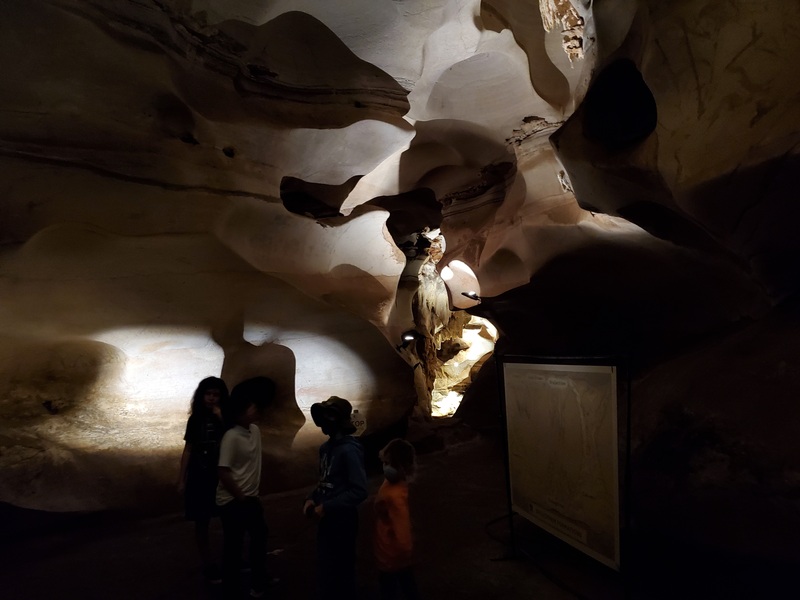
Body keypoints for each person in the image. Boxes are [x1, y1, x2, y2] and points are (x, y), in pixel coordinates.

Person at [303, 396, 368, 600]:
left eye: (330, 415)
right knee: (326, 566)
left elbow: (359, 490)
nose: (325, 420)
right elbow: (325, 480)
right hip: (327, 519)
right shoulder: (326, 448)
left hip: (342, 521)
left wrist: (328, 506)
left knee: (342, 570)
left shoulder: (350, 450)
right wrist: (312, 498)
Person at [216, 377, 276, 599]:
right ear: (241, 412)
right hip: (234, 500)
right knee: (234, 544)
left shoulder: (255, 431)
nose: (256, 409)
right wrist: (241, 497)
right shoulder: (231, 437)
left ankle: (258, 581)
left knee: (259, 537)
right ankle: (232, 589)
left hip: (248, 498)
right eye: (251, 406)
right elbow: (223, 471)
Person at [177, 376, 229, 584]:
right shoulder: (196, 419)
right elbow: (188, 448)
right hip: (200, 475)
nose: (212, 399)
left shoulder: (227, 417)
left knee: (229, 518)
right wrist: (181, 478)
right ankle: (208, 563)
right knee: (201, 521)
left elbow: (234, 437)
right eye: (208, 394)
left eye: (216, 395)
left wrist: (221, 417)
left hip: (221, 474)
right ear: (201, 395)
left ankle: (231, 558)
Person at [373, 439, 421, 600]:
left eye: (390, 464)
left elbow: (402, 531)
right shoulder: (392, 484)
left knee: (394, 588)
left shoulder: (396, 495)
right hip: (386, 549)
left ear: (402, 467)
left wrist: (405, 552)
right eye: (385, 463)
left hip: (393, 555)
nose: (386, 467)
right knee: (406, 583)